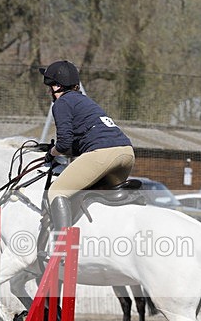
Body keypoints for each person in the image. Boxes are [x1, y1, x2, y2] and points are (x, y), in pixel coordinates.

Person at [38, 60, 135, 238]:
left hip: (103, 155)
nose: (49, 90)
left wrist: (51, 152)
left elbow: (64, 144)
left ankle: (63, 247)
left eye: (50, 85)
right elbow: (77, 145)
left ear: (58, 86)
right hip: (127, 153)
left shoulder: (62, 103)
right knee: (86, 197)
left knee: (56, 192)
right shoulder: (85, 101)